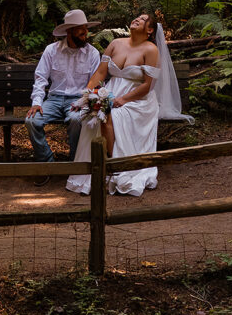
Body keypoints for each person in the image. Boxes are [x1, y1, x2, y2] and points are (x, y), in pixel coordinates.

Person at [66, 13, 182, 197]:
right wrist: (87, 94)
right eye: (136, 17)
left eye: (143, 20)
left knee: (108, 114)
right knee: (95, 113)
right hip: (111, 92)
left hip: (138, 100)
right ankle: (102, 164)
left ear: (150, 30)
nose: (137, 19)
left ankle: (114, 167)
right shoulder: (115, 44)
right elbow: (100, 73)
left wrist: (125, 99)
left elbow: (148, 85)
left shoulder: (151, 50)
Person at [26, 10, 102, 176]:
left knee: (76, 120)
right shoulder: (52, 50)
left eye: (85, 28)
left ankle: (74, 165)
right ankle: (47, 164)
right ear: (69, 31)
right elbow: (40, 79)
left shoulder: (92, 53)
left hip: (77, 100)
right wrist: (37, 103)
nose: (85, 33)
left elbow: (95, 84)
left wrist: (83, 102)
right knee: (32, 121)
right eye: (80, 29)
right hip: (53, 100)